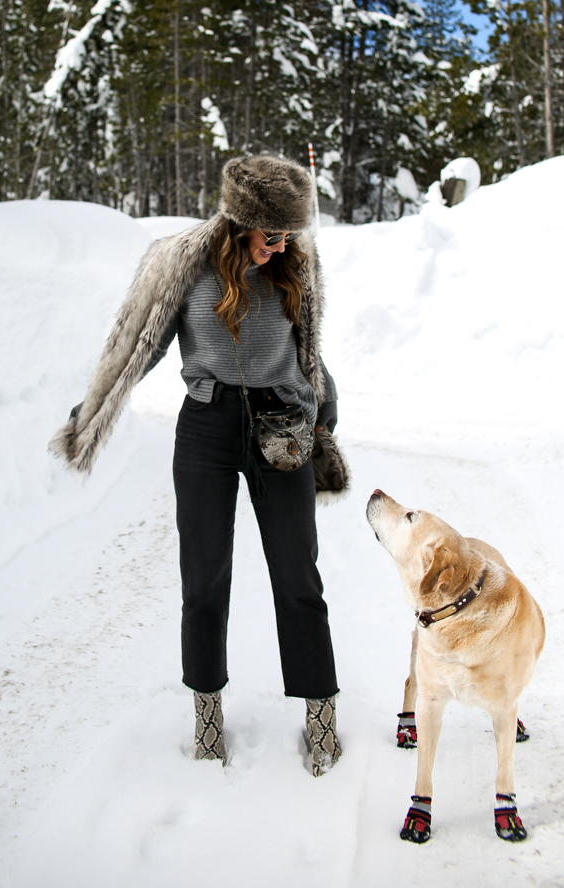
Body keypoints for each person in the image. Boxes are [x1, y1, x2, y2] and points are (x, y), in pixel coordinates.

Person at [50, 155, 350, 775]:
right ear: (241, 222)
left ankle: (321, 716)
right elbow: (140, 342)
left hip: (281, 430)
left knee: (298, 577)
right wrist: (95, 408)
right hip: (207, 430)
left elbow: (309, 348)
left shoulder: (298, 263)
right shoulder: (184, 262)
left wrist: (326, 407)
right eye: (272, 234)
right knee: (204, 579)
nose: (282, 245)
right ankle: (207, 716)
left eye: (291, 234)